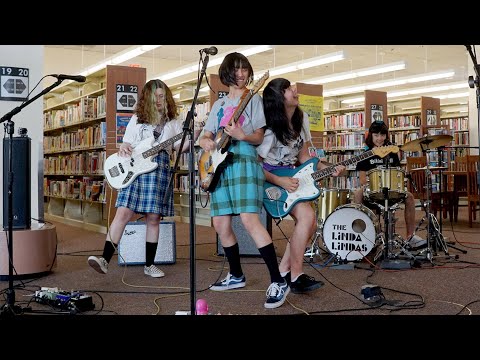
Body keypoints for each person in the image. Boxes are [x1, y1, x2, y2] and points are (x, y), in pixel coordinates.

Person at [198, 52, 289, 309]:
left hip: (244, 162)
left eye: (244, 69)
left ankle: (278, 280)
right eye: (236, 69)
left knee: (250, 220)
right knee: (220, 222)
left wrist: (241, 134)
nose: (241, 74)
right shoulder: (218, 104)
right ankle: (236, 275)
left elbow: (259, 137)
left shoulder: (254, 100)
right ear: (227, 73)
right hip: (219, 167)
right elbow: (206, 135)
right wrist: (207, 141)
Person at [88, 79, 202, 277]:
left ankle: (149, 265)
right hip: (134, 170)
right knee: (122, 213)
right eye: (154, 96)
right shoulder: (137, 118)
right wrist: (123, 147)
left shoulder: (173, 121)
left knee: (153, 218)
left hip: (159, 169)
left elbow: (179, 147)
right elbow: (127, 144)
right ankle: (104, 259)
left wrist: (196, 134)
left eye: (161, 96)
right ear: (146, 98)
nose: (158, 100)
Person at [257, 78, 345, 293]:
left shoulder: (301, 118)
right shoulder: (266, 124)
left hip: (293, 175)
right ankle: (296, 276)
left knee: (310, 224)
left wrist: (325, 166)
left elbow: (305, 156)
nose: (294, 90)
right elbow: (255, 165)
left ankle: (284, 271)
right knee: (307, 218)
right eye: (288, 88)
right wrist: (279, 180)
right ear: (278, 97)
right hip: (272, 179)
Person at [353, 120, 427, 249]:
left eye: (382, 135)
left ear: (386, 136)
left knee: (409, 197)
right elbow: (362, 180)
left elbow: (397, 173)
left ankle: (410, 236)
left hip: (391, 189)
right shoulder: (365, 155)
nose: (379, 138)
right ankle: (360, 235)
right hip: (373, 190)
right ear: (371, 136)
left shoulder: (392, 153)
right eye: (376, 135)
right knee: (358, 193)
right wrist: (372, 185)